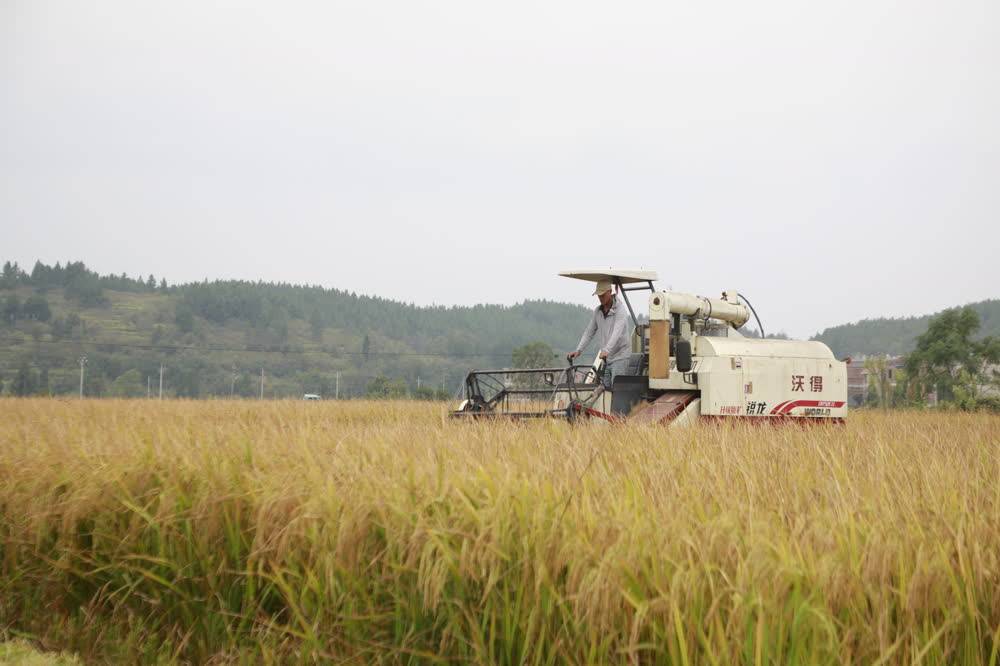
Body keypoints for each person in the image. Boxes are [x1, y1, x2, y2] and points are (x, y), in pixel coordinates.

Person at [567, 280, 631, 388]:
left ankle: (618, 405)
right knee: (604, 389)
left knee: (616, 389)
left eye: (603, 295)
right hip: (607, 359)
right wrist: (579, 350)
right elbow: (589, 332)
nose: (600, 297)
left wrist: (606, 350)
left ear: (610, 292)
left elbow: (617, 332)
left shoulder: (620, 310)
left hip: (620, 357)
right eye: (599, 295)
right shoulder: (598, 312)